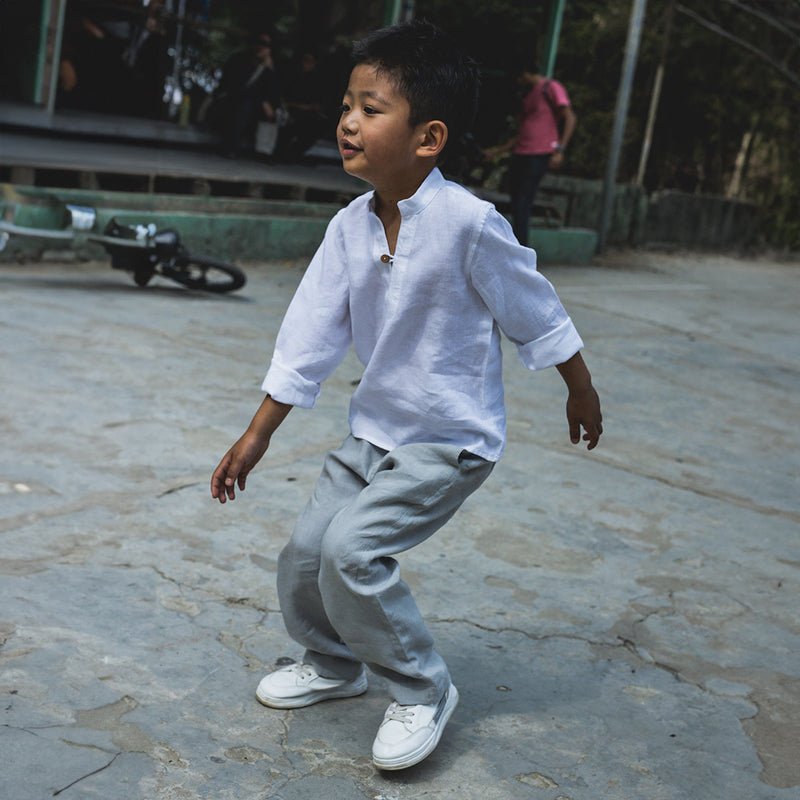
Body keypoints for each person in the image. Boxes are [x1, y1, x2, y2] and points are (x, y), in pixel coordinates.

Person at [210, 20, 602, 771]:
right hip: (374, 436)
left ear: (428, 138)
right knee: (304, 555)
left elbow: (536, 309)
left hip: (448, 441)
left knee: (352, 554)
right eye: (347, 104)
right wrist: (257, 433)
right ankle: (332, 663)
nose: (348, 121)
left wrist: (578, 388)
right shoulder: (349, 228)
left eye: (371, 107)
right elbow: (308, 337)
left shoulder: (469, 225)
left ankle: (423, 688)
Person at [484, 57, 577, 247]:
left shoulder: (550, 87)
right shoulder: (528, 97)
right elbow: (522, 133)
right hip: (521, 153)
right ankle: (514, 246)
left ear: (525, 73)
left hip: (540, 152)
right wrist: (496, 152)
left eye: (518, 78)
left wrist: (560, 150)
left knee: (524, 201)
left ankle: (520, 251)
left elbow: (570, 118)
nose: (518, 83)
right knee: (516, 200)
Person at [205, 33, 282, 157]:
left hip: (253, 111)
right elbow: (236, 88)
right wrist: (261, 101)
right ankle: (230, 148)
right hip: (227, 104)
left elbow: (274, 94)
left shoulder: (269, 68)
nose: (261, 48)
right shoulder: (238, 60)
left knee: (274, 113)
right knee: (244, 105)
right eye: (259, 43)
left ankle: (266, 152)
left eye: (266, 45)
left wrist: (269, 70)